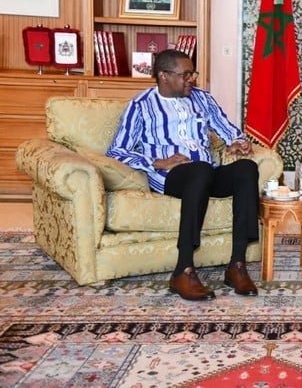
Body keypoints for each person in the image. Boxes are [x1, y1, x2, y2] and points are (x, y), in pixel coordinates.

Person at [107, 49, 260, 301]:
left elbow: (229, 130)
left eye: (193, 74)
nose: (191, 79)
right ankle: (183, 270)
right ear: (164, 76)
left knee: (246, 169)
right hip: (171, 177)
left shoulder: (202, 99)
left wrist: (239, 143)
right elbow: (116, 150)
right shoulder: (141, 105)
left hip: (206, 173)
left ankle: (237, 265)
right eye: (185, 75)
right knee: (199, 170)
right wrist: (156, 162)